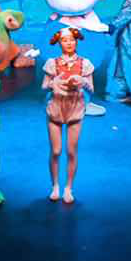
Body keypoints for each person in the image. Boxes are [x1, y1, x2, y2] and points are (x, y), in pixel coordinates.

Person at [41, 27, 94, 204]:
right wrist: (53, 83)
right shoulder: (52, 63)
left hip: (75, 108)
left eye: (72, 39)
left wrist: (83, 81)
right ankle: (55, 185)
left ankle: (68, 187)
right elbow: (44, 86)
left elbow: (92, 89)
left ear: (76, 41)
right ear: (59, 43)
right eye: (65, 40)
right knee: (56, 151)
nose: (69, 43)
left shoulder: (85, 63)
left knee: (71, 151)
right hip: (56, 107)